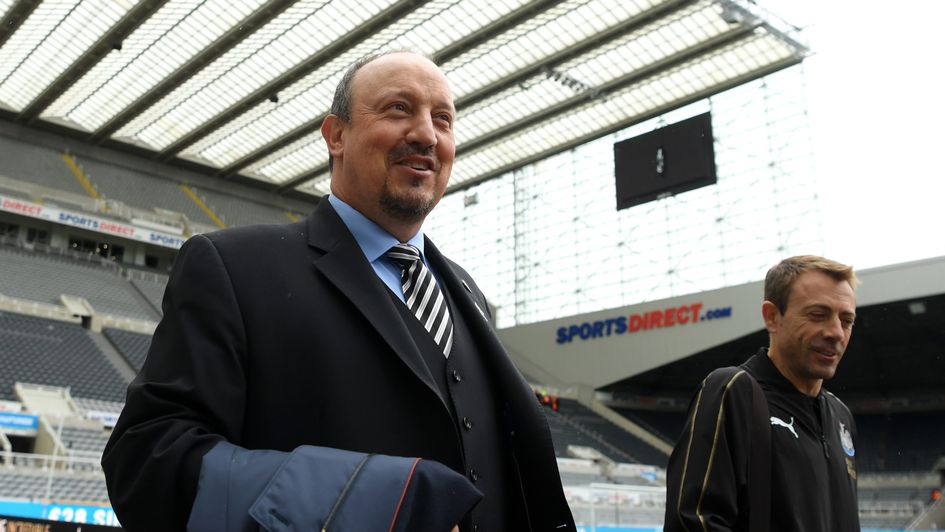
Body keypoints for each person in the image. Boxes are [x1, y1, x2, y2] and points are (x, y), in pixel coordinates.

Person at [102, 51, 575, 532]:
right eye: (398, 109)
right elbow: (147, 459)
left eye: (443, 119)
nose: (427, 135)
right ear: (336, 135)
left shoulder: (468, 292)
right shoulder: (232, 267)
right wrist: (367, 504)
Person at [664, 255, 860, 531]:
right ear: (772, 317)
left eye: (847, 320)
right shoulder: (732, 391)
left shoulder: (842, 416)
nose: (836, 332)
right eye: (818, 314)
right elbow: (693, 522)